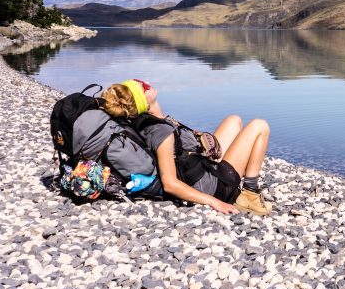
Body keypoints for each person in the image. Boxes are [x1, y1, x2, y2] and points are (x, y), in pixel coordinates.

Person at [100, 79, 272, 216]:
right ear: (143, 100)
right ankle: (250, 194)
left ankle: (234, 178)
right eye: (143, 87)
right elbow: (170, 183)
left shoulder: (154, 120)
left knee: (233, 120)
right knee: (260, 126)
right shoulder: (161, 132)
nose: (147, 84)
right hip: (215, 186)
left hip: (204, 166)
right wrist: (214, 202)